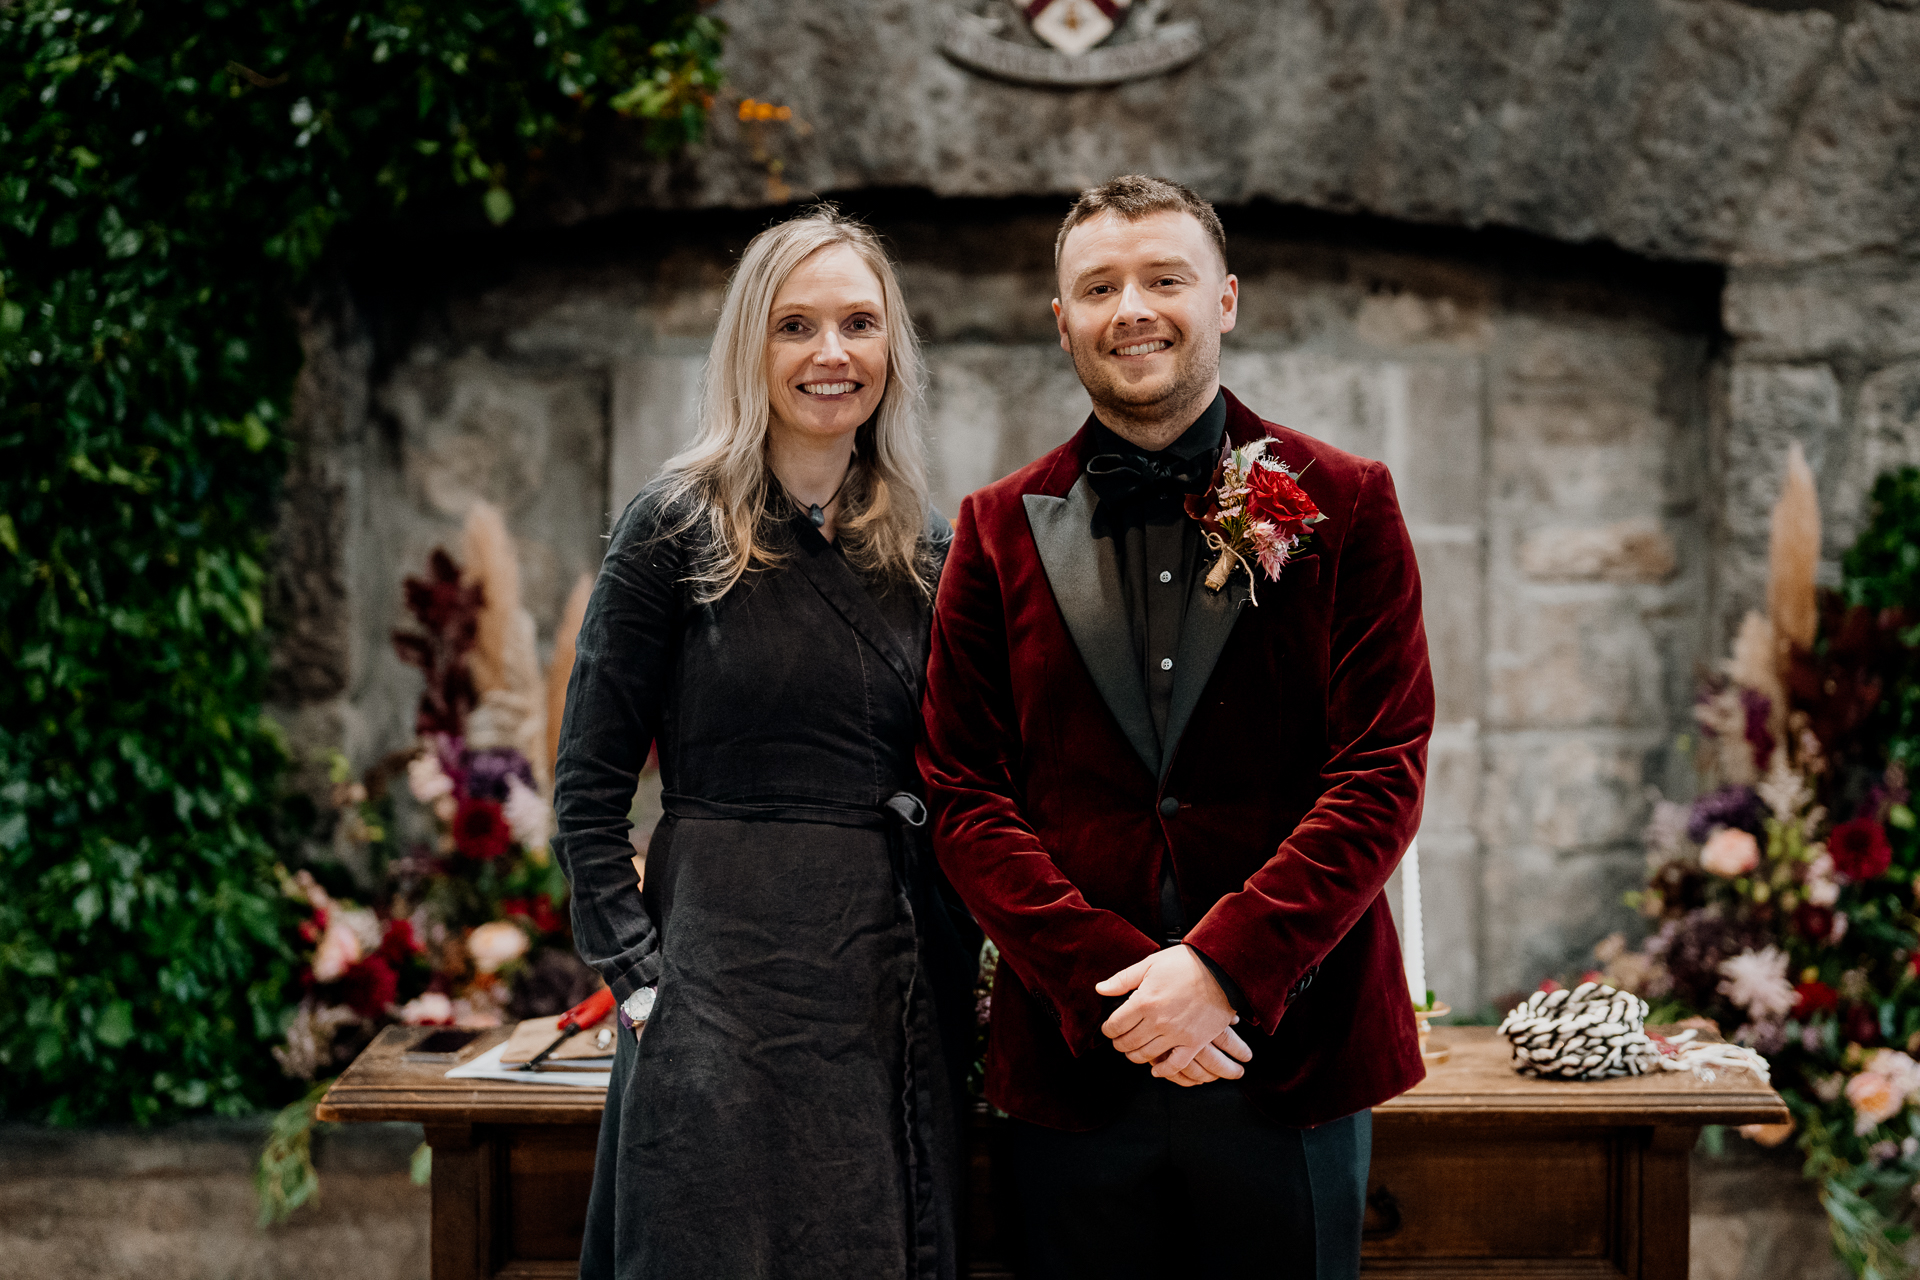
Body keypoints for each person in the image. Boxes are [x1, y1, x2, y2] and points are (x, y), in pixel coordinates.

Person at [918, 175, 1434, 1278]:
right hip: (1074, 1062)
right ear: (1061, 319)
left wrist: (1219, 970)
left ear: (1227, 299)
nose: (1131, 309)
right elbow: (963, 792)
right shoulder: (994, 528)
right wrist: (1118, 985)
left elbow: (1380, 774)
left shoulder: (1347, 501)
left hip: (1287, 1053)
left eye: (1164, 278)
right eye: (1098, 286)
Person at [554, 206, 978, 1280]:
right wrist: (644, 979)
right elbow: (588, 788)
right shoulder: (673, 527)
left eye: (859, 324)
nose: (833, 354)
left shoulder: (929, 546)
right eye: (797, 325)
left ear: (893, 348)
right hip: (719, 997)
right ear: (753, 347)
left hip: (883, 987)